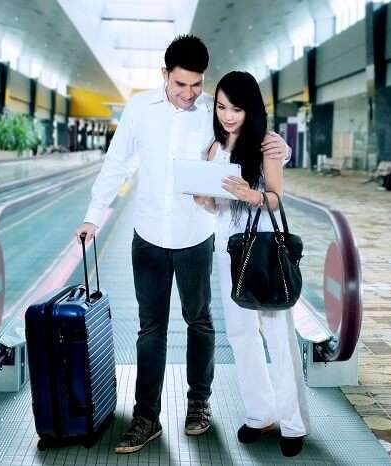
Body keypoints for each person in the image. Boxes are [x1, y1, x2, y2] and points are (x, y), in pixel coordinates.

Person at [75, 36, 289, 454]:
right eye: (181, 85)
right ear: (164, 75)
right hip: (149, 236)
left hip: (196, 236)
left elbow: (253, 136)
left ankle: (198, 403)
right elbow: (116, 164)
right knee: (150, 328)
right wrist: (93, 217)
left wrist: (282, 145)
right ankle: (145, 417)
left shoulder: (214, 112)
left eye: (197, 85)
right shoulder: (139, 109)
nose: (190, 94)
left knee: (200, 322)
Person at [195, 71, 309, 457]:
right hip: (228, 251)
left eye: (237, 108)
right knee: (241, 336)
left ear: (252, 108)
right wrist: (205, 200)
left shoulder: (267, 145)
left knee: (277, 335)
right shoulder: (213, 146)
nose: (228, 115)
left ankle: (292, 422)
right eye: (222, 107)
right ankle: (259, 414)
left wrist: (251, 194)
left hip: (262, 249)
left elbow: (275, 198)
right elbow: (216, 204)